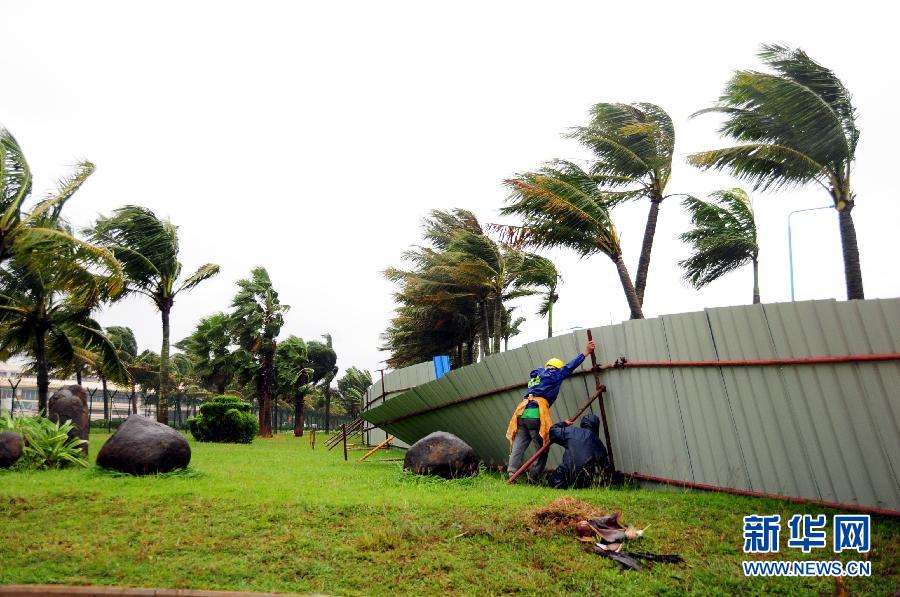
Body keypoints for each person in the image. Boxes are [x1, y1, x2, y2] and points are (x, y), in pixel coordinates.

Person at [506, 339, 595, 483]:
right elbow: (569, 367)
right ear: (556, 368)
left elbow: (534, 372)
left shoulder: (538, 375)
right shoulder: (554, 375)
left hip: (521, 413)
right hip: (536, 414)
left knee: (519, 444)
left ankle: (512, 473)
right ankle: (534, 478)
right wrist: (586, 352)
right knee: (542, 447)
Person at [547, 413, 609, 488]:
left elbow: (552, 432)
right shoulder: (598, 443)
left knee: (552, 480)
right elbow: (605, 465)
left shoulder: (572, 431)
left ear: (582, 423)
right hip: (583, 481)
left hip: (562, 477)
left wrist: (564, 423)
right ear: (596, 426)